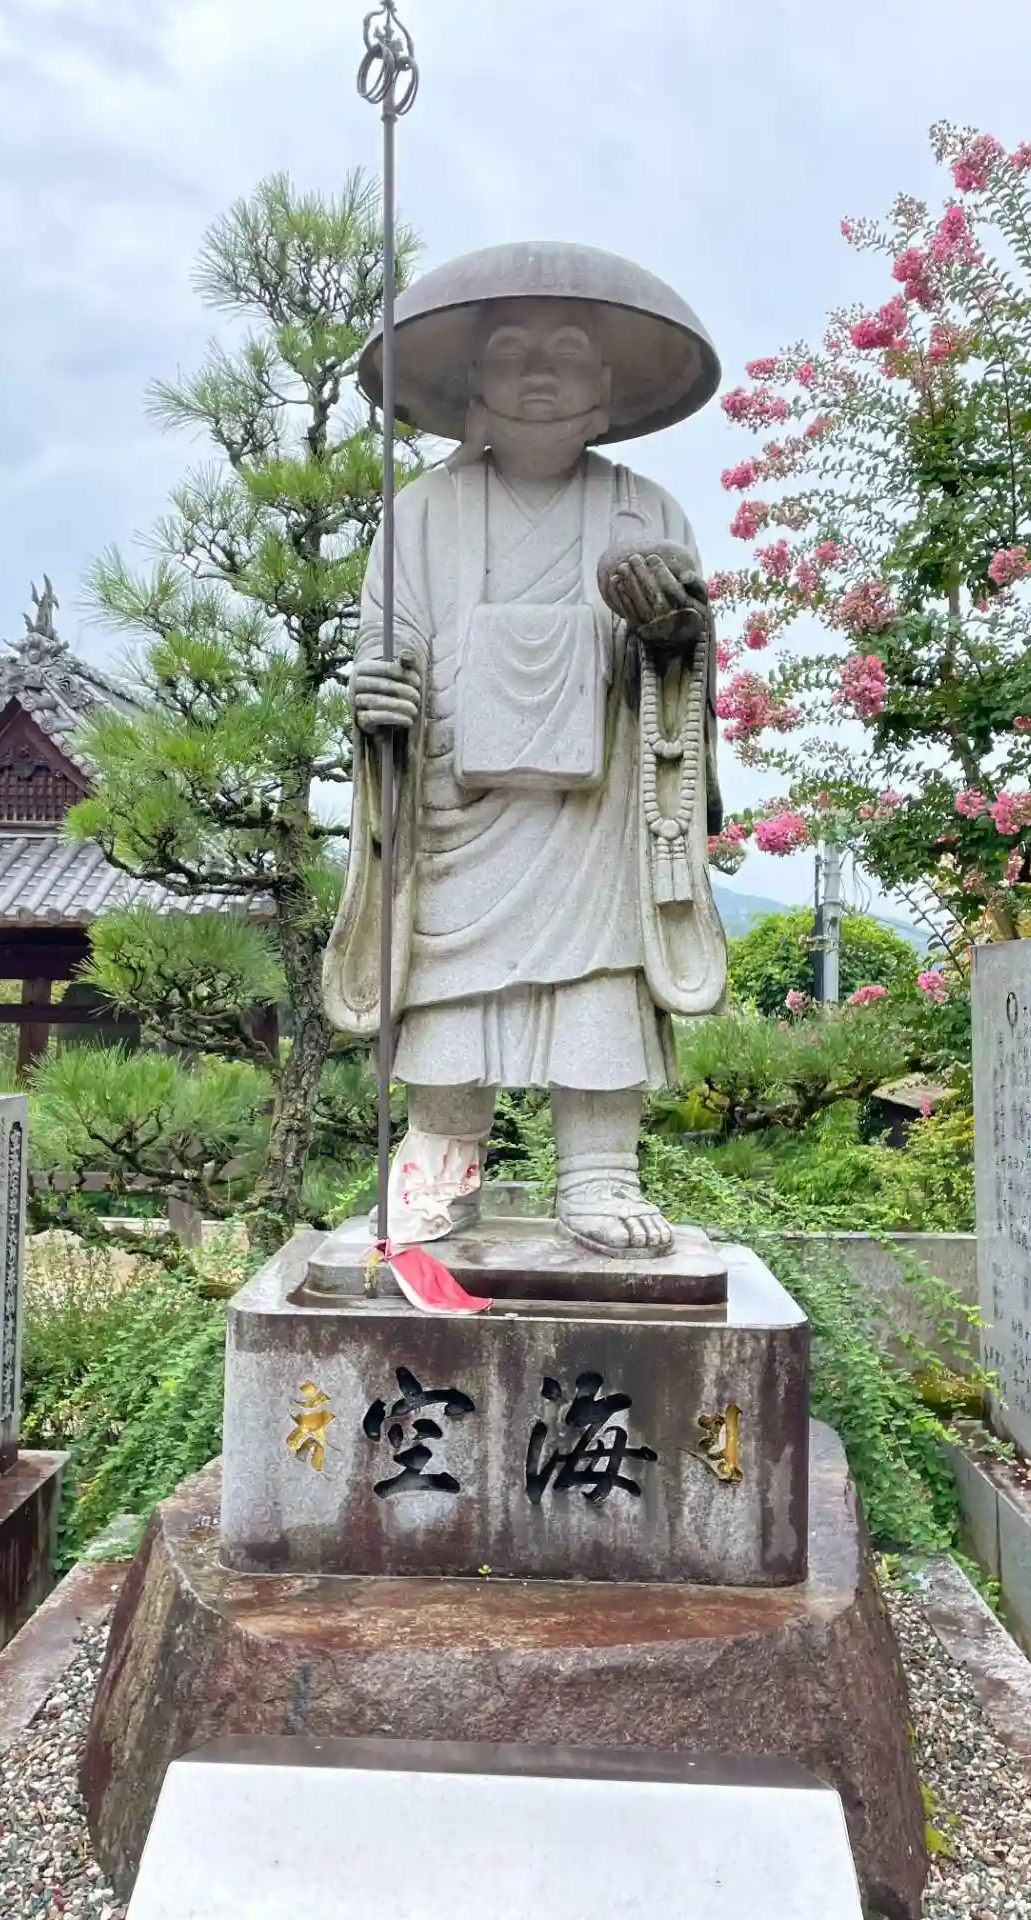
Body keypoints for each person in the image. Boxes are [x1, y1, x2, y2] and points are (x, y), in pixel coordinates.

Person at [324, 243, 727, 1256]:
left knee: (599, 975)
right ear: (475, 384)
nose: (538, 372)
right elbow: (386, 641)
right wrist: (377, 695)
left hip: (595, 811)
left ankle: (599, 1170)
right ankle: (441, 1160)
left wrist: (670, 632)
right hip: (456, 800)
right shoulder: (420, 512)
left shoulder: (646, 510)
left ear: (606, 388)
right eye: (511, 352)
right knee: (448, 981)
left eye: (567, 352)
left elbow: (681, 656)